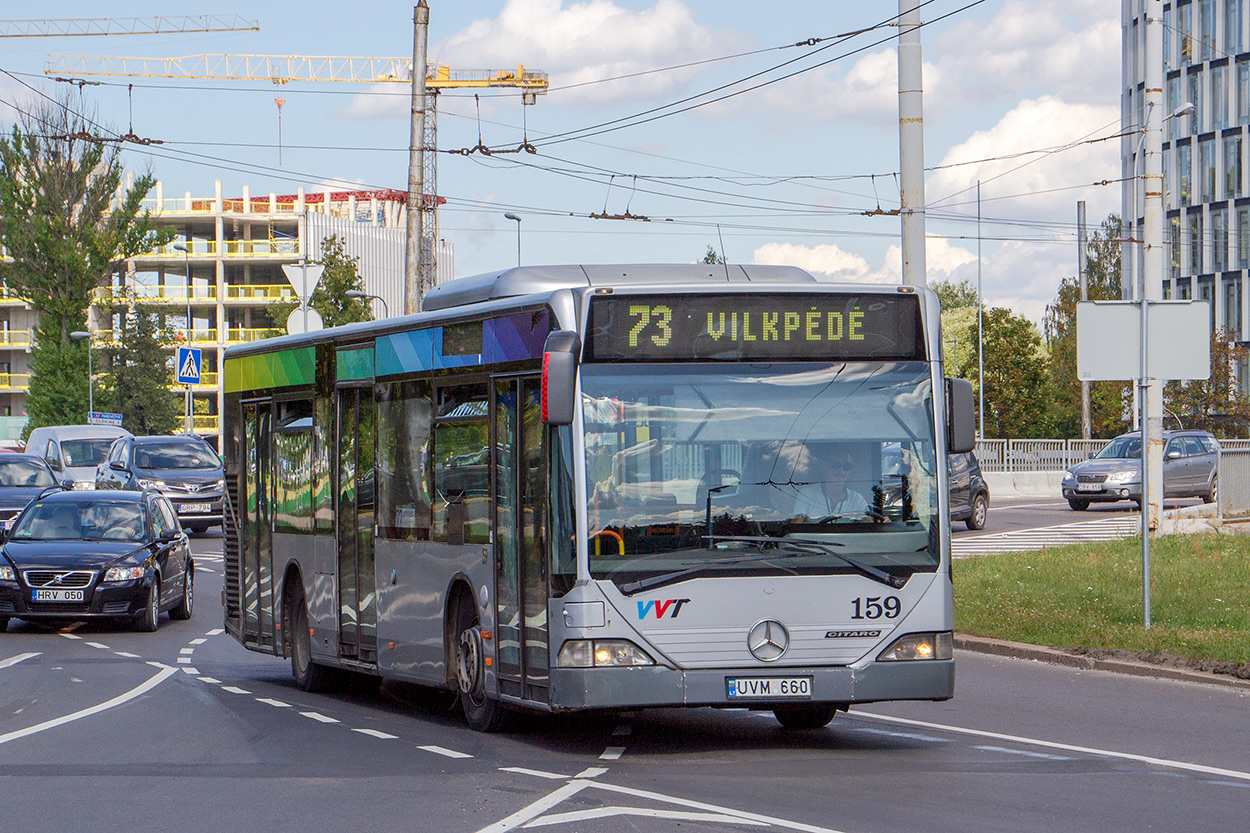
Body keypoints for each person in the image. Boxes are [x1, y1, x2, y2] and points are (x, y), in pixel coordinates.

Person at [791, 445, 871, 522]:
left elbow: (869, 530)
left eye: (847, 466)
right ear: (825, 466)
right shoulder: (807, 495)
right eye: (836, 465)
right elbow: (794, 529)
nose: (841, 471)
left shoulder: (857, 499)